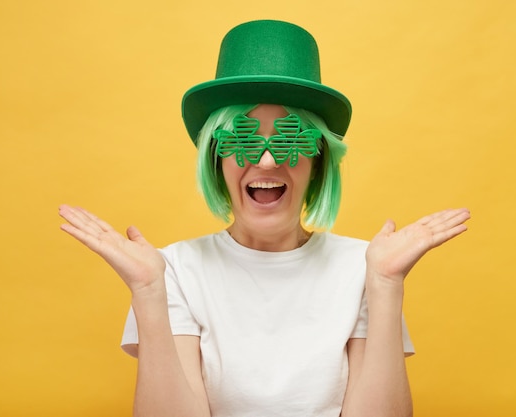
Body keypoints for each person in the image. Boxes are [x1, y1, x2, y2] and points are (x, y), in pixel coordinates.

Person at [59, 20, 470, 417]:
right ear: (216, 158)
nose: (268, 159)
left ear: (319, 159)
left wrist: (385, 285)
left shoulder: (367, 267)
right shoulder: (174, 271)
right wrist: (148, 292)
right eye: (243, 138)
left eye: (291, 138)